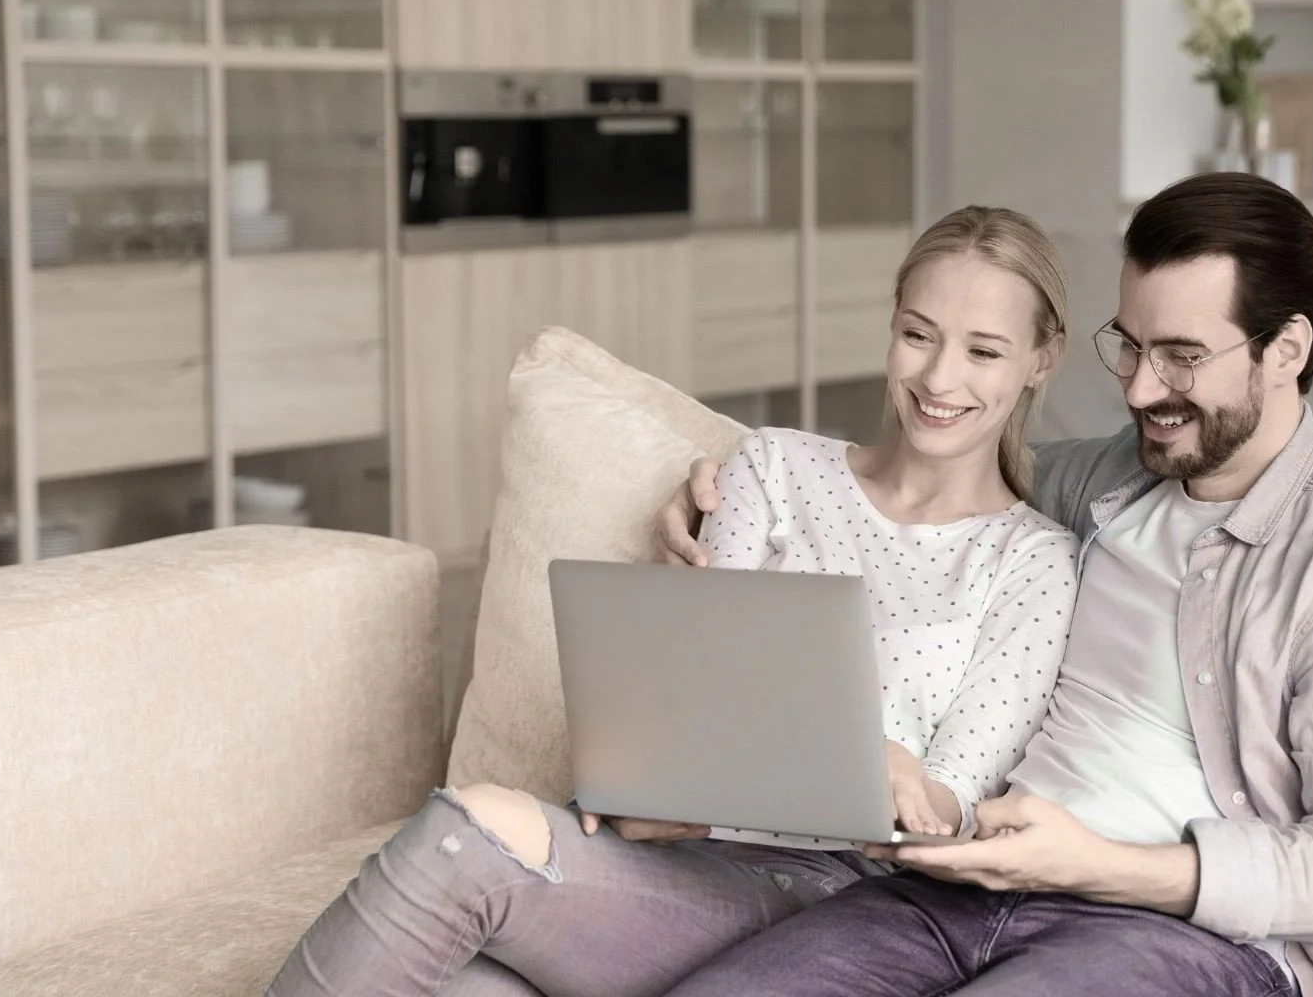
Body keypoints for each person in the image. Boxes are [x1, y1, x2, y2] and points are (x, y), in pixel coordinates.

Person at [652, 172, 1313, 997]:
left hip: (1179, 938)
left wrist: (1101, 867)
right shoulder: (1096, 483)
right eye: (1130, 344)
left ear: (1286, 350)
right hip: (952, 892)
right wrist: (718, 482)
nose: (1141, 388)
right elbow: (921, 476)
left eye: (1182, 357)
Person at [264, 205, 1080, 997]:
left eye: (984, 351)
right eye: (918, 335)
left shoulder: (1033, 564)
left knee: (471, 831)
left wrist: (889, 774)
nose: (940, 378)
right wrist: (650, 787)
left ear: (1041, 361)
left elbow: (953, 812)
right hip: (660, 854)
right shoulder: (775, 468)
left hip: (831, 907)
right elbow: (697, 685)